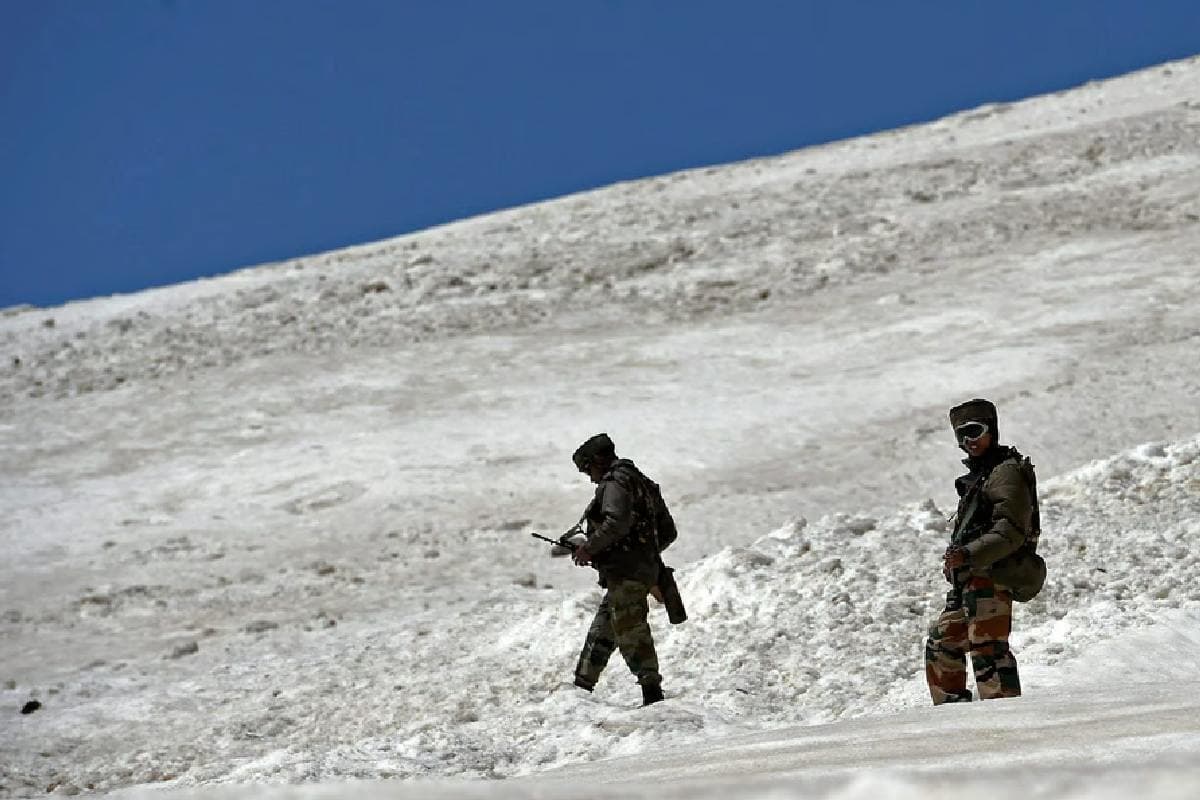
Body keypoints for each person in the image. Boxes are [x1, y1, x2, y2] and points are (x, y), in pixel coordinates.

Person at [924, 398, 1038, 704]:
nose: (969, 441)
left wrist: (969, 554)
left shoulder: (1005, 473)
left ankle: (1006, 722)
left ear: (992, 429)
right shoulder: (983, 475)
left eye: (975, 431)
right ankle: (953, 717)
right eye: (961, 435)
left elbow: (1010, 532)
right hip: (972, 579)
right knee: (943, 640)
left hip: (995, 575)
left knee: (989, 649)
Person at [559, 433, 672, 707]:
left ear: (599, 460)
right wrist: (645, 554)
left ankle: (652, 694)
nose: (590, 477)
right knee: (604, 628)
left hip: (627, 573)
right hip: (635, 571)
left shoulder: (616, 484)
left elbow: (616, 522)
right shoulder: (641, 482)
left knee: (630, 629)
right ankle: (582, 688)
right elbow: (668, 531)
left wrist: (591, 548)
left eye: (588, 469)